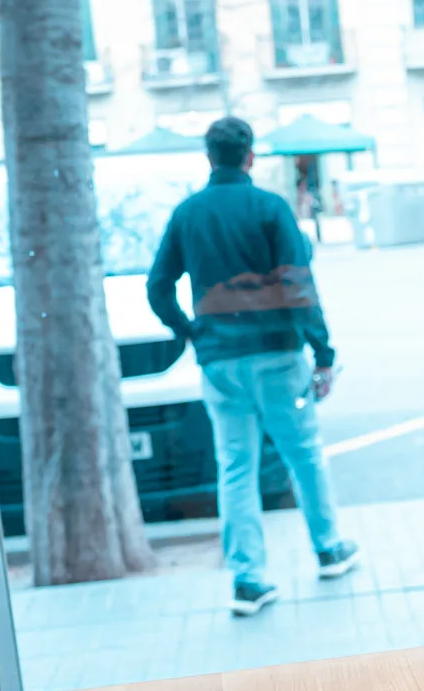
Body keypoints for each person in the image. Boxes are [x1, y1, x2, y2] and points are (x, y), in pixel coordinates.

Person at [146, 116, 360, 616]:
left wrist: (191, 331)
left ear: (208, 156)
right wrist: (322, 353)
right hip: (278, 355)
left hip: (220, 361)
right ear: (250, 157)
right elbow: (297, 283)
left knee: (236, 468)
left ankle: (248, 580)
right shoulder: (270, 208)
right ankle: (328, 549)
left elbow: (158, 287)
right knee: (303, 453)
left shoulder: (188, 214)